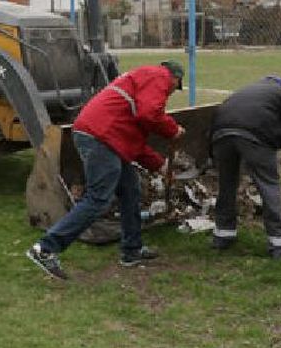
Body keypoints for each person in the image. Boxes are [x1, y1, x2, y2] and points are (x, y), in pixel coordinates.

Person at [26, 61, 187, 280]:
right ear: (175, 78)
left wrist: (161, 165)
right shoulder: (159, 76)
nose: (170, 92)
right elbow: (149, 114)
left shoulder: (139, 84)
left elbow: (134, 142)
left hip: (106, 137)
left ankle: (132, 250)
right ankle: (45, 248)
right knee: (98, 198)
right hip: (100, 138)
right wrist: (173, 129)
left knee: (130, 191)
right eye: (174, 87)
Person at [209, 75, 281, 259]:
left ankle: (223, 235)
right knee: (269, 185)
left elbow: (218, 119)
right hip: (254, 135)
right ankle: (280, 244)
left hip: (220, 136)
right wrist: (275, 145)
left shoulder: (242, 92)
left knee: (227, 184)